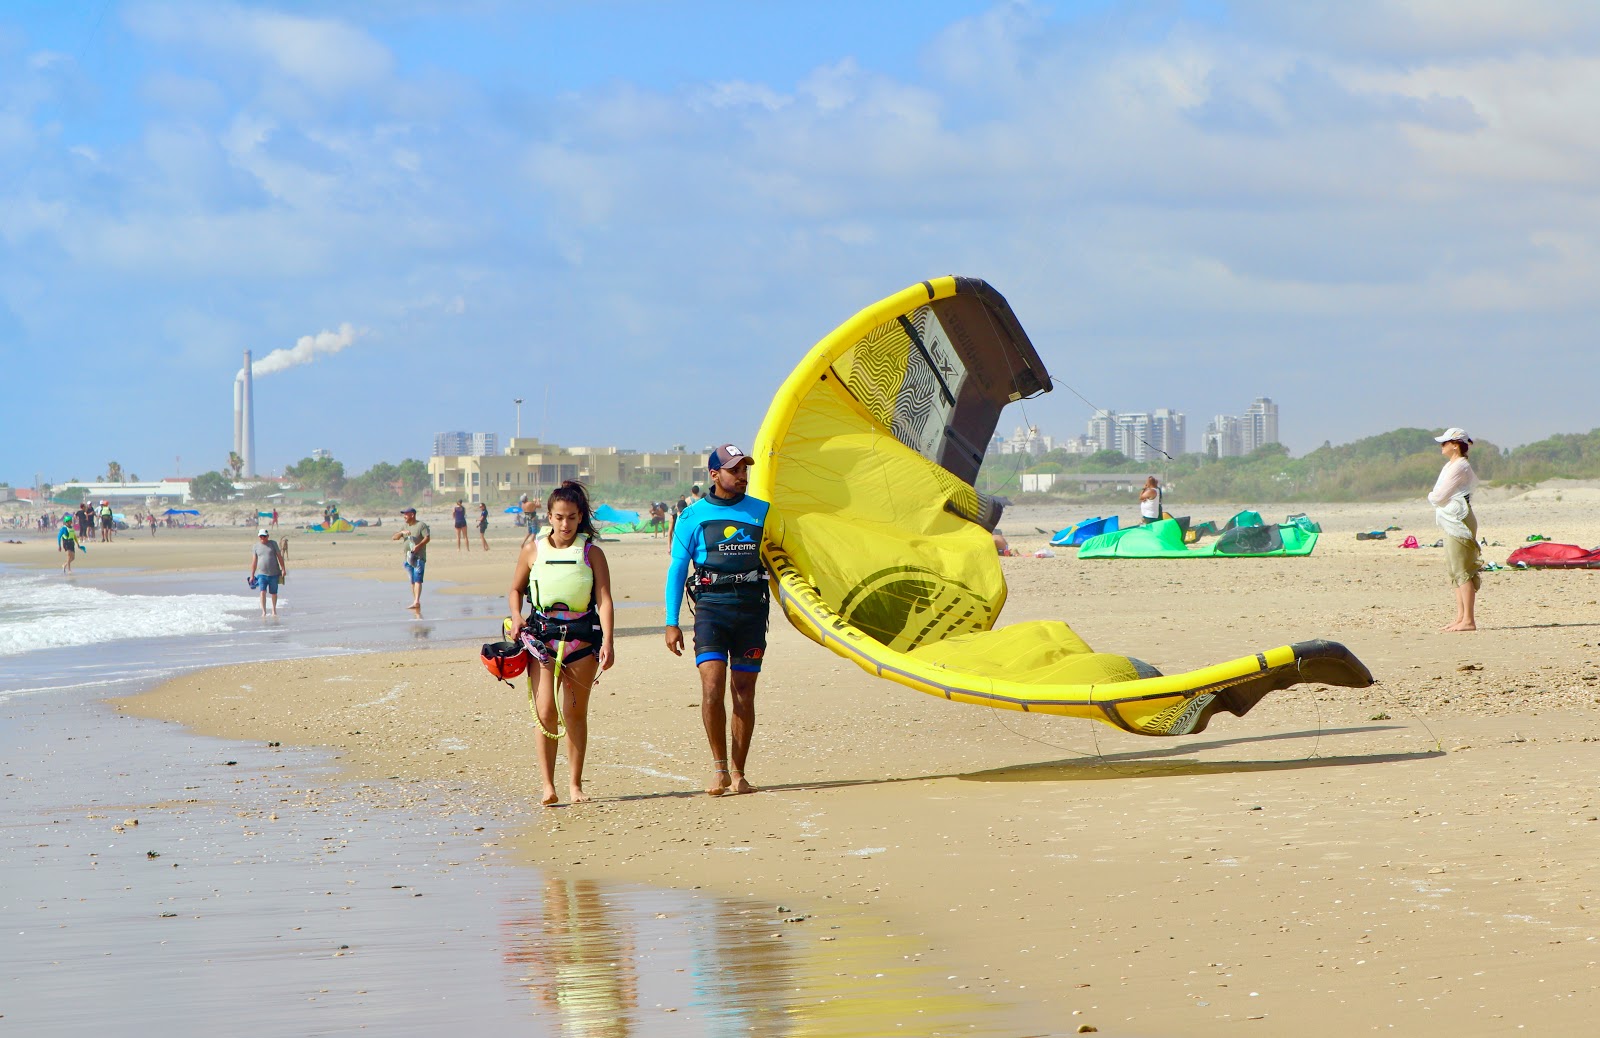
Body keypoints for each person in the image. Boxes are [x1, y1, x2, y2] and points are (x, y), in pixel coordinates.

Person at [664, 444, 769, 796]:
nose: (742, 476)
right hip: (711, 607)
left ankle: (739, 773)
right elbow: (678, 569)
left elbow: (783, 559)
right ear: (714, 474)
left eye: (744, 470)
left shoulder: (762, 512)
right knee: (712, 688)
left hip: (752, 609)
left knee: (744, 692)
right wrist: (671, 621)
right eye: (735, 470)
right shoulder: (692, 517)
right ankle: (719, 769)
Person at [506, 481, 615, 807]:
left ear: (580, 517)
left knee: (574, 714)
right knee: (545, 712)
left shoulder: (591, 553)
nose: (565, 525)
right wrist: (516, 615)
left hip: (582, 638)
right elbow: (515, 590)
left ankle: (574, 784)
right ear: (549, 517)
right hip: (542, 637)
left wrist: (609, 640)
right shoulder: (532, 549)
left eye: (571, 518)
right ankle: (547, 786)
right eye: (559, 517)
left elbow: (605, 600)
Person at [1428, 427, 1481, 632]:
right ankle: (1460, 616)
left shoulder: (1460, 466)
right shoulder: (1449, 466)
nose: (1442, 446)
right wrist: (1434, 496)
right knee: (1453, 569)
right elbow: (1439, 494)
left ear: (1455, 445)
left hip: (1459, 519)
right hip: (1449, 518)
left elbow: (1439, 496)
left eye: (1445, 443)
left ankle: (1469, 619)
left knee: (1463, 568)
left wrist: (1432, 496)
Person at [391, 507, 431, 610]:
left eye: (406, 514)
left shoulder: (421, 525)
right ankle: (415, 601)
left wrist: (419, 546)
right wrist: (401, 533)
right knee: (412, 581)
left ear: (412, 515)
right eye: (403, 514)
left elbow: (427, 538)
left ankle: (416, 601)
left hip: (418, 557)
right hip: (408, 558)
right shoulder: (404, 526)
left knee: (418, 579)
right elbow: (394, 537)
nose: (404, 516)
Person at [250, 527, 287, 617]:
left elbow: (279, 557)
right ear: (259, 537)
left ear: (268, 536)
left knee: (274, 593)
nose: (263, 538)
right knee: (262, 591)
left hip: (274, 573)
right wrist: (252, 575)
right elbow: (254, 562)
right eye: (261, 536)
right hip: (262, 574)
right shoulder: (255, 547)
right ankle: (264, 611)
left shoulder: (273, 544)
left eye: (264, 536)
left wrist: (283, 569)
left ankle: (274, 610)